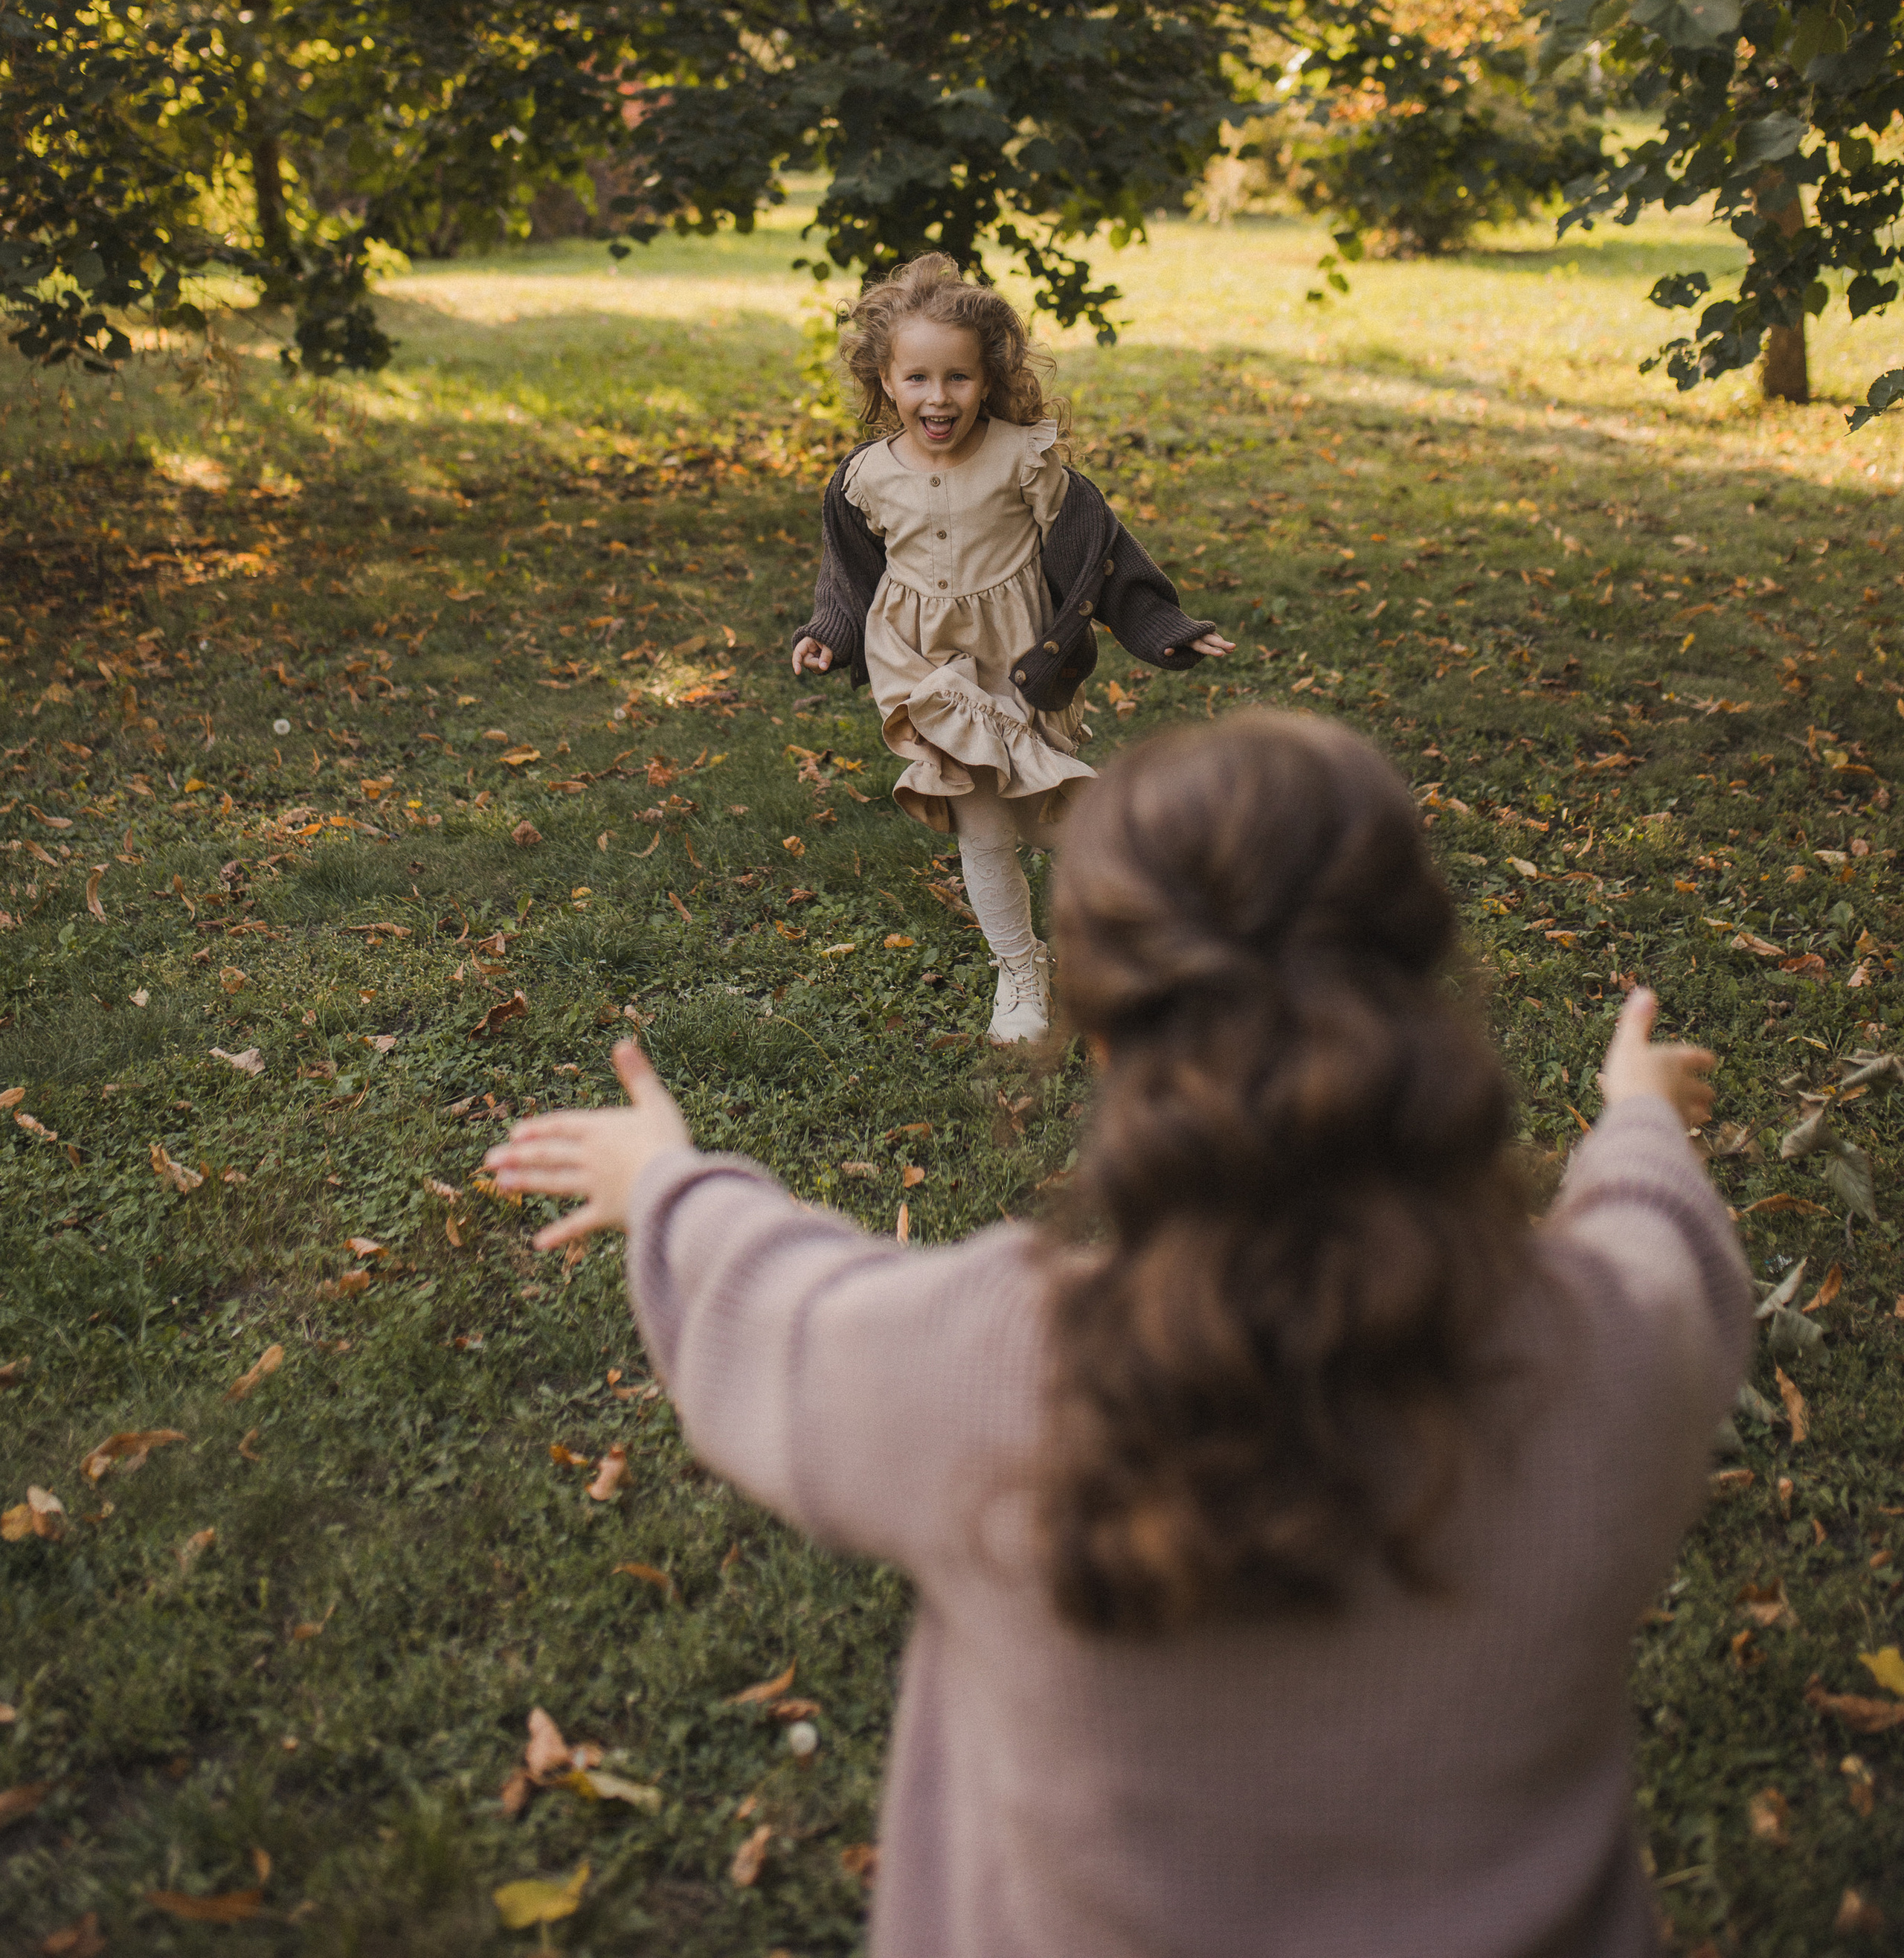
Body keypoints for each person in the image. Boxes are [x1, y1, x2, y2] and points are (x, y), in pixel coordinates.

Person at [486, 708, 1750, 1958]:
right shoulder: (1615, 1356)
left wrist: (664, 1180)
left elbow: (779, 1304)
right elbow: (1664, 1244)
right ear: (1417, 988)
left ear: (1099, 1035)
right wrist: (1638, 1120)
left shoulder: (989, 1376)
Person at [788, 250, 1232, 1041]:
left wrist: (1162, 627)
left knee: (1054, 818)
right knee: (985, 827)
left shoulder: (1021, 457)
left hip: (1021, 662)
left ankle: (1155, 929)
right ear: (885, 382)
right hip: (924, 670)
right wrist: (830, 634)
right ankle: (1018, 975)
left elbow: (1095, 549)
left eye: (957, 377)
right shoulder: (864, 479)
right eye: (917, 378)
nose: (938, 396)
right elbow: (849, 574)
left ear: (987, 380)